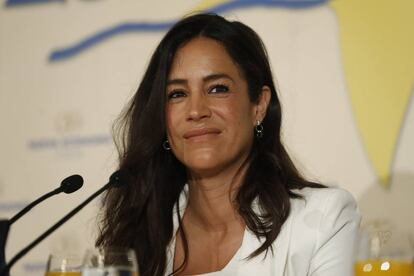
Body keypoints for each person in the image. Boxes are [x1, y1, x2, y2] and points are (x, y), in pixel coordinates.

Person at [96, 13, 360, 276]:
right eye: (177, 94)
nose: (196, 110)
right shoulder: (137, 237)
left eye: (217, 88)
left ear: (259, 104)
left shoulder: (323, 219)